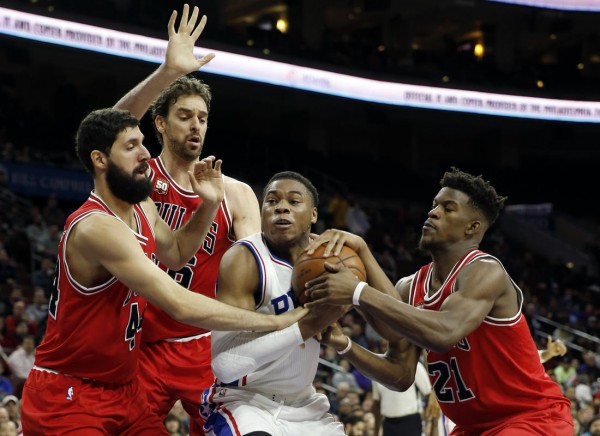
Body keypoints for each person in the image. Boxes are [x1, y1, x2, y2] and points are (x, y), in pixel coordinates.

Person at [19, 107, 306, 435]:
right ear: (100, 160)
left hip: (123, 392)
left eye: (142, 143)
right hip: (70, 394)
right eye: (131, 147)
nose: (144, 153)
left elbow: (178, 254)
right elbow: (178, 303)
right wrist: (275, 321)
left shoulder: (142, 206)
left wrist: (209, 204)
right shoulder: (96, 227)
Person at [305, 167, 573, 435]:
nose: (433, 212)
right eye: (434, 205)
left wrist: (358, 291)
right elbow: (400, 376)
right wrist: (344, 344)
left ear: (472, 227)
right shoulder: (410, 286)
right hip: (472, 428)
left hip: (531, 418)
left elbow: (444, 333)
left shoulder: (485, 271)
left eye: (448, 208)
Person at [114, 5, 261, 433]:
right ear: (158, 123)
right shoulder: (138, 180)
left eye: (202, 118)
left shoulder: (234, 192)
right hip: (142, 342)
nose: (196, 126)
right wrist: (167, 72)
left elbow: (258, 267)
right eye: (184, 116)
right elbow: (109, 128)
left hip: (205, 344)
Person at [200, 171, 346, 436]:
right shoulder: (244, 258)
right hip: (245, 403)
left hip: (305, 405)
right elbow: (226, 365)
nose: (281, 207)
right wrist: (305, 326)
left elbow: (391, 327)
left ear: (313, 214)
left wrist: (363, 252)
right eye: (272, 201)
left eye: (293, 201)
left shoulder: (333, 258)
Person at [372, 360, 435, 436]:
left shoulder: (414, 366)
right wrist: (376, 431)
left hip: (410, 422)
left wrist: (431, 424)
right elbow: (376, 404)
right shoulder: (377, 368)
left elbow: (430, 395)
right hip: (388, 423)